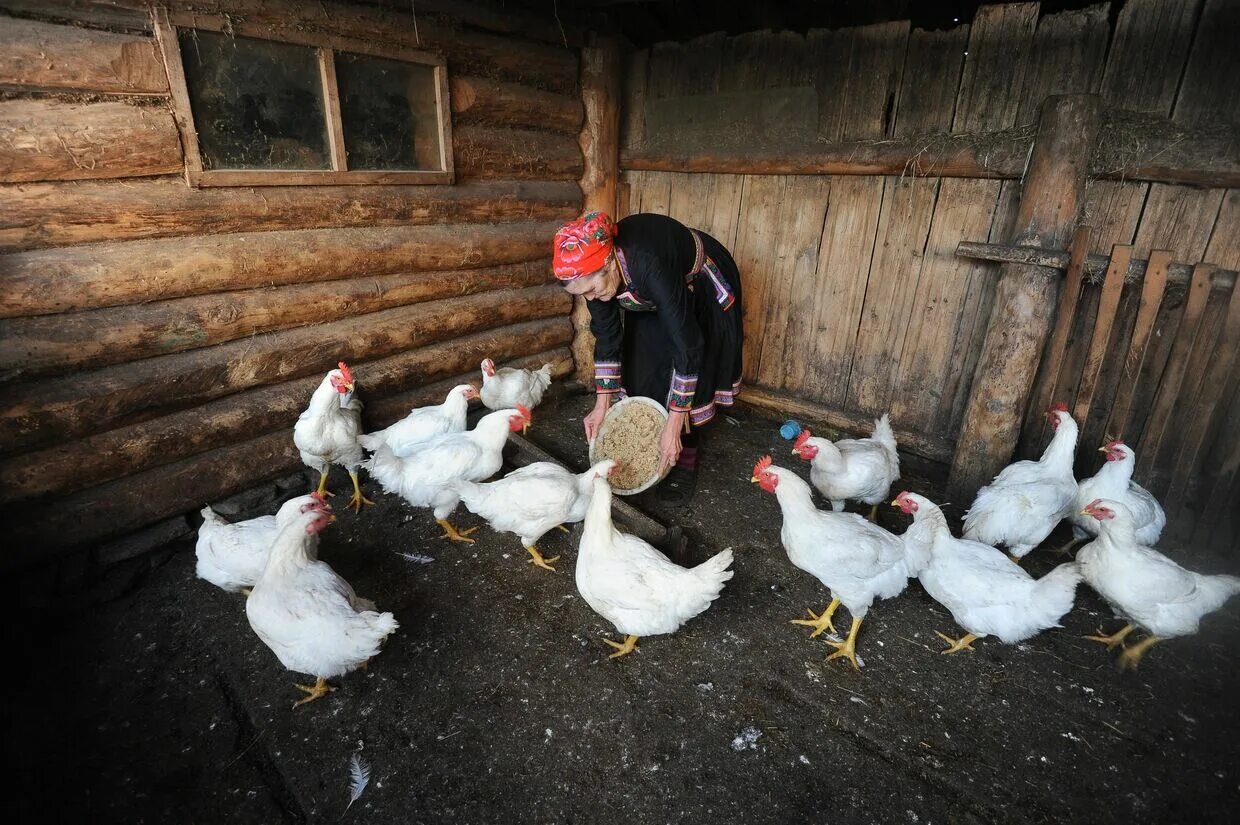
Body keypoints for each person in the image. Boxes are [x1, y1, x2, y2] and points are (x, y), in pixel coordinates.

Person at [553, 211, 744, 505]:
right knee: (644, 367)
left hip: (697, 282)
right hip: (650, 292)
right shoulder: (596, 281)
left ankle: (686, 456)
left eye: (591, 290)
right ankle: (656, 440)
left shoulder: (649, 262)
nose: (589, 298)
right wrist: (602, 405)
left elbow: (688, 344)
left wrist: (674, 424)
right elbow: (607, 334)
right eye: (582, 295)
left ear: (608, 263)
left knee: (696, 370)